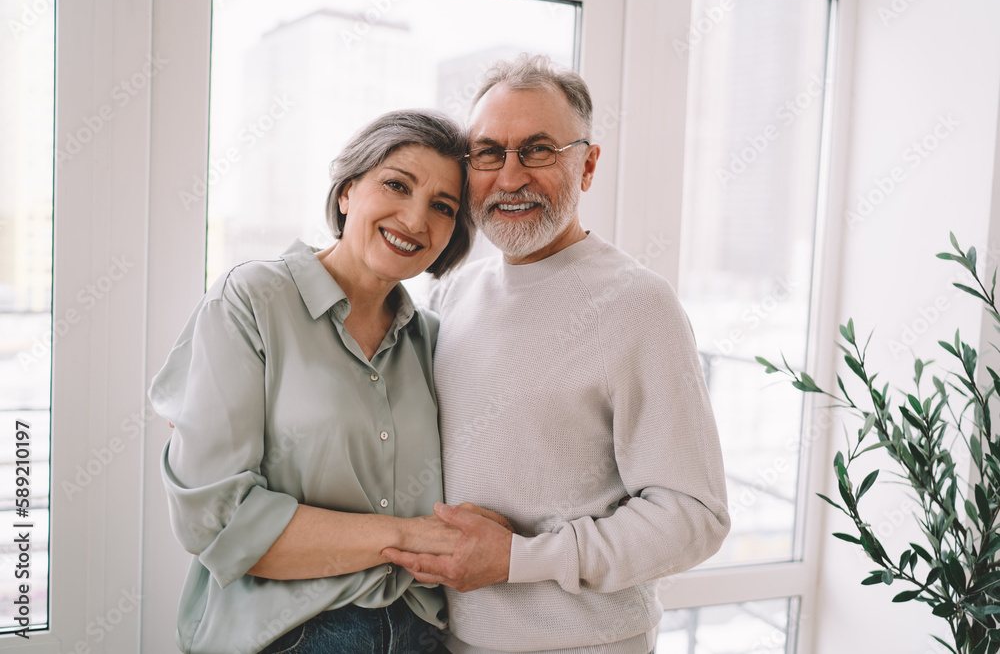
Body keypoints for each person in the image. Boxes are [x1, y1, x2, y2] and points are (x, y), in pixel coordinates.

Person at [382, 55, 731, 654]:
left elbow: (695, 516)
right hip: (453, 638)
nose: (510, 177)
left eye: (538, 150)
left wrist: (520, 557)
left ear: (587, 165)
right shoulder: (454, 292)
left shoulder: (639, 305)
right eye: (488, 153)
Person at [149, 109, 490, 654]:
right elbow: (216, 521)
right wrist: (404, 536)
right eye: (396, 185)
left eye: (443, 206)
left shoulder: (432, 339)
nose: (414, 219)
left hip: (419, 633)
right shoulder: (253, 301)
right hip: (291, 634)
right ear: (348, 190)